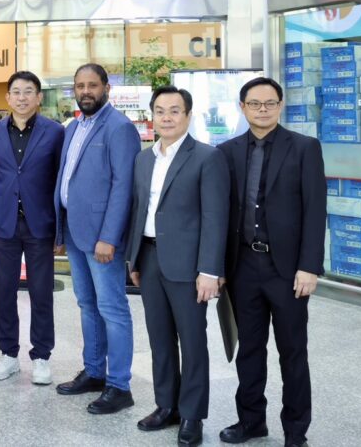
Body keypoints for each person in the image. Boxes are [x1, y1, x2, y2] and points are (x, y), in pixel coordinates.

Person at [216, 77, 325, 447]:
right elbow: (221, 214)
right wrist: (218, 269)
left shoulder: (304, 148)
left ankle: (295, 431)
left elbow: (315, 210)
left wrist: (309, 266)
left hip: (288, 270)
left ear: (280, 106)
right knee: (249, 349)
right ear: (242, 107)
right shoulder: (227, 151)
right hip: (243, 266)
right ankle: (251, 421)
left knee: (292, 351)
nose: (262, 109)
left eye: (269, 103)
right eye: (254, 103)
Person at [126, 86, 230, 447]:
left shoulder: (207, 157)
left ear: (188, 115)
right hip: (149, 258)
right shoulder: (144, 159)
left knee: (193, 341)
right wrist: (134, 258)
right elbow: (139, 210)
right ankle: (166, 405)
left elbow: (215, 217)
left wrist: (209, 271)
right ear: (152, 115)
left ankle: (192, 415)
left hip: (189, 266)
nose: (166, 117)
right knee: (159, 339)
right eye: (160, 111)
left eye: (174, 111)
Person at [54, 63, 141, 414]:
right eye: (80, 86)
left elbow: (124, 186)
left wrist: (110, 237)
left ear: (106, 88)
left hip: (103, 238)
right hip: (76, 232)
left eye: (92, 85)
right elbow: (67, 178)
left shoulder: (119, 127)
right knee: (87, 304)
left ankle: (119, 385)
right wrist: (60, 230)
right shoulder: (74, 126)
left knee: (112, 309)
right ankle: (94, 371)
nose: (85, 91)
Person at [0, 70, 64, 385]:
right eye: (16, 91)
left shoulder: (55, 132)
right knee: (5, 291)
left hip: (40, 224)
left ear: (39, 97)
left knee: (41, 292)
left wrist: (60, 229)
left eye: (29, 91)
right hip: (4, 224)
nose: (22, 97)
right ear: (8, 97)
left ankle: (41, 356)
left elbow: (60, 182)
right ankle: (8, 354)